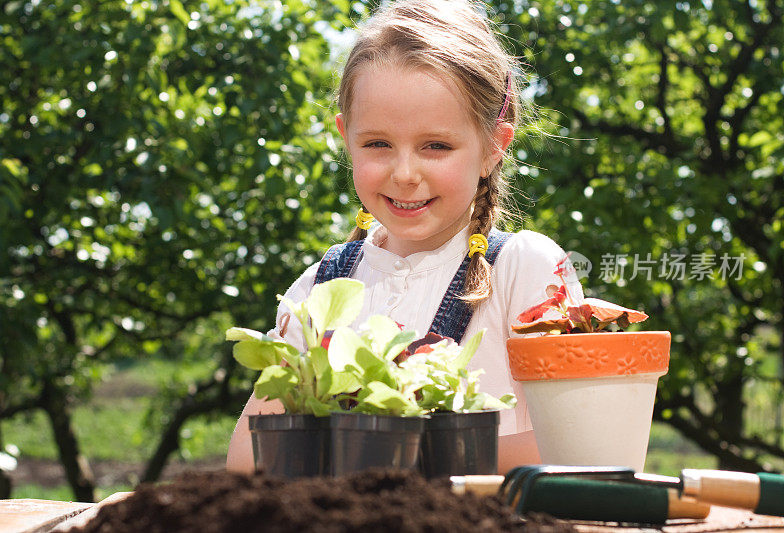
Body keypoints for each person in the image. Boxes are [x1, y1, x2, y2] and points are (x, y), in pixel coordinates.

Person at [226, 0, 582, 474]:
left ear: (494, 146)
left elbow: (574, 448)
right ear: (345, 137)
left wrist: (396, 460)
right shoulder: (319, 288)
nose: (405, 173)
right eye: (378, 144)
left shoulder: (524, 270)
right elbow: (247, 459)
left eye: (436, 146)